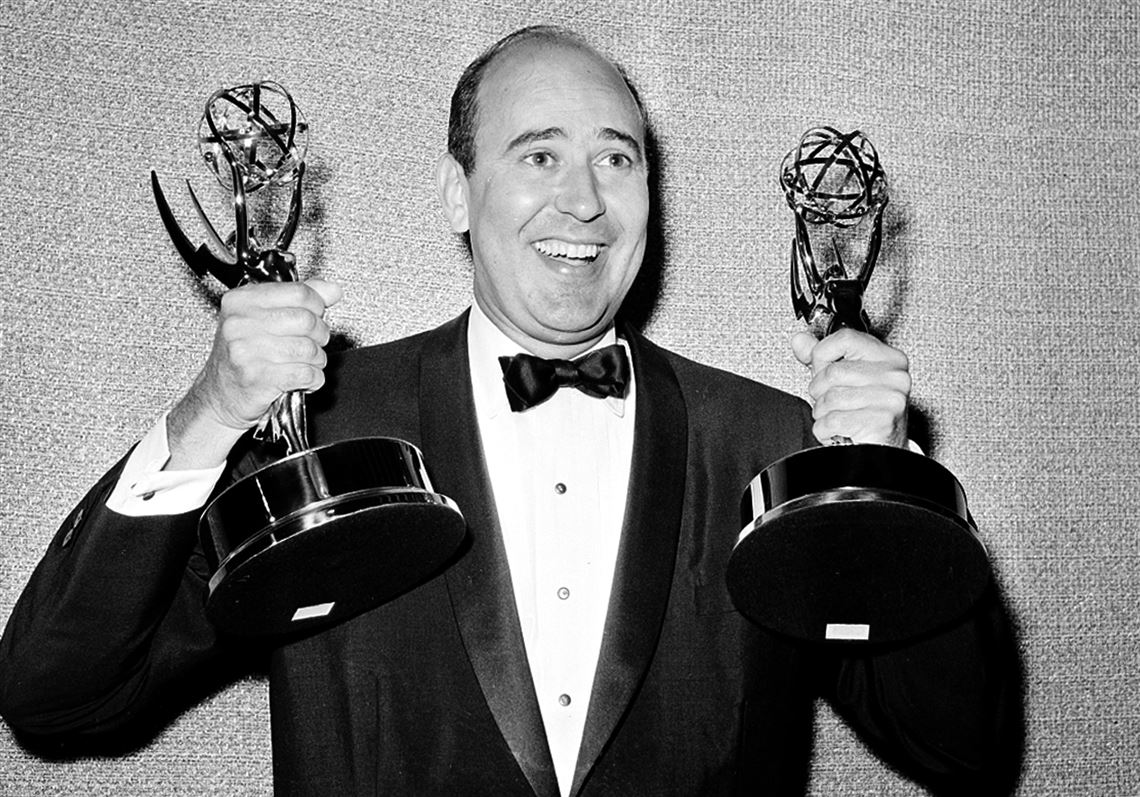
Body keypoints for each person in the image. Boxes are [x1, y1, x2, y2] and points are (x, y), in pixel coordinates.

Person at [0, 25, 1019, 797]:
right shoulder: (316, 428)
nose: (584, 201)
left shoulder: (771, 438)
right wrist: (210, 410)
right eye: (538, 155)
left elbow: (963, 747)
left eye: (617, 159)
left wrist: (887, 478)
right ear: (459, 193)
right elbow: (59, 691)